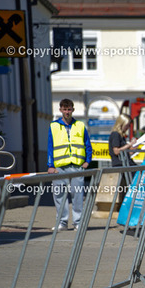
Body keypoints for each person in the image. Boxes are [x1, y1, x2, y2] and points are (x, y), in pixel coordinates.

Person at [47, 98, 93, 231]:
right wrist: (50, 165)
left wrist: (87, 161)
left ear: (73, 109)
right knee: (59, 195)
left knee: (77, 195)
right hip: (59, 166)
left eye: (69, 109)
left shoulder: (80, 125)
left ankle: (78, 222)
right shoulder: (53, 126)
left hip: (77, 166)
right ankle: (62, 223)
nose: (67, 112)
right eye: (64, 109)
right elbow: (50, 146)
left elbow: (87, 144)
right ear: (60, 110)